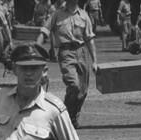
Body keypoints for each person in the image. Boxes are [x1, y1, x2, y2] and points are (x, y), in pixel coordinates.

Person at [37, 0, 98, 129]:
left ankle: (72, 117)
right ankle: (64, 116)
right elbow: (44, 32)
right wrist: (36, 50)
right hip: (66, 53)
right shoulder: (57, 14)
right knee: (74, 85)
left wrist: (95, 61)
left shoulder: (84, 15)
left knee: (83, 90)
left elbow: (90, 39)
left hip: (82, 52)